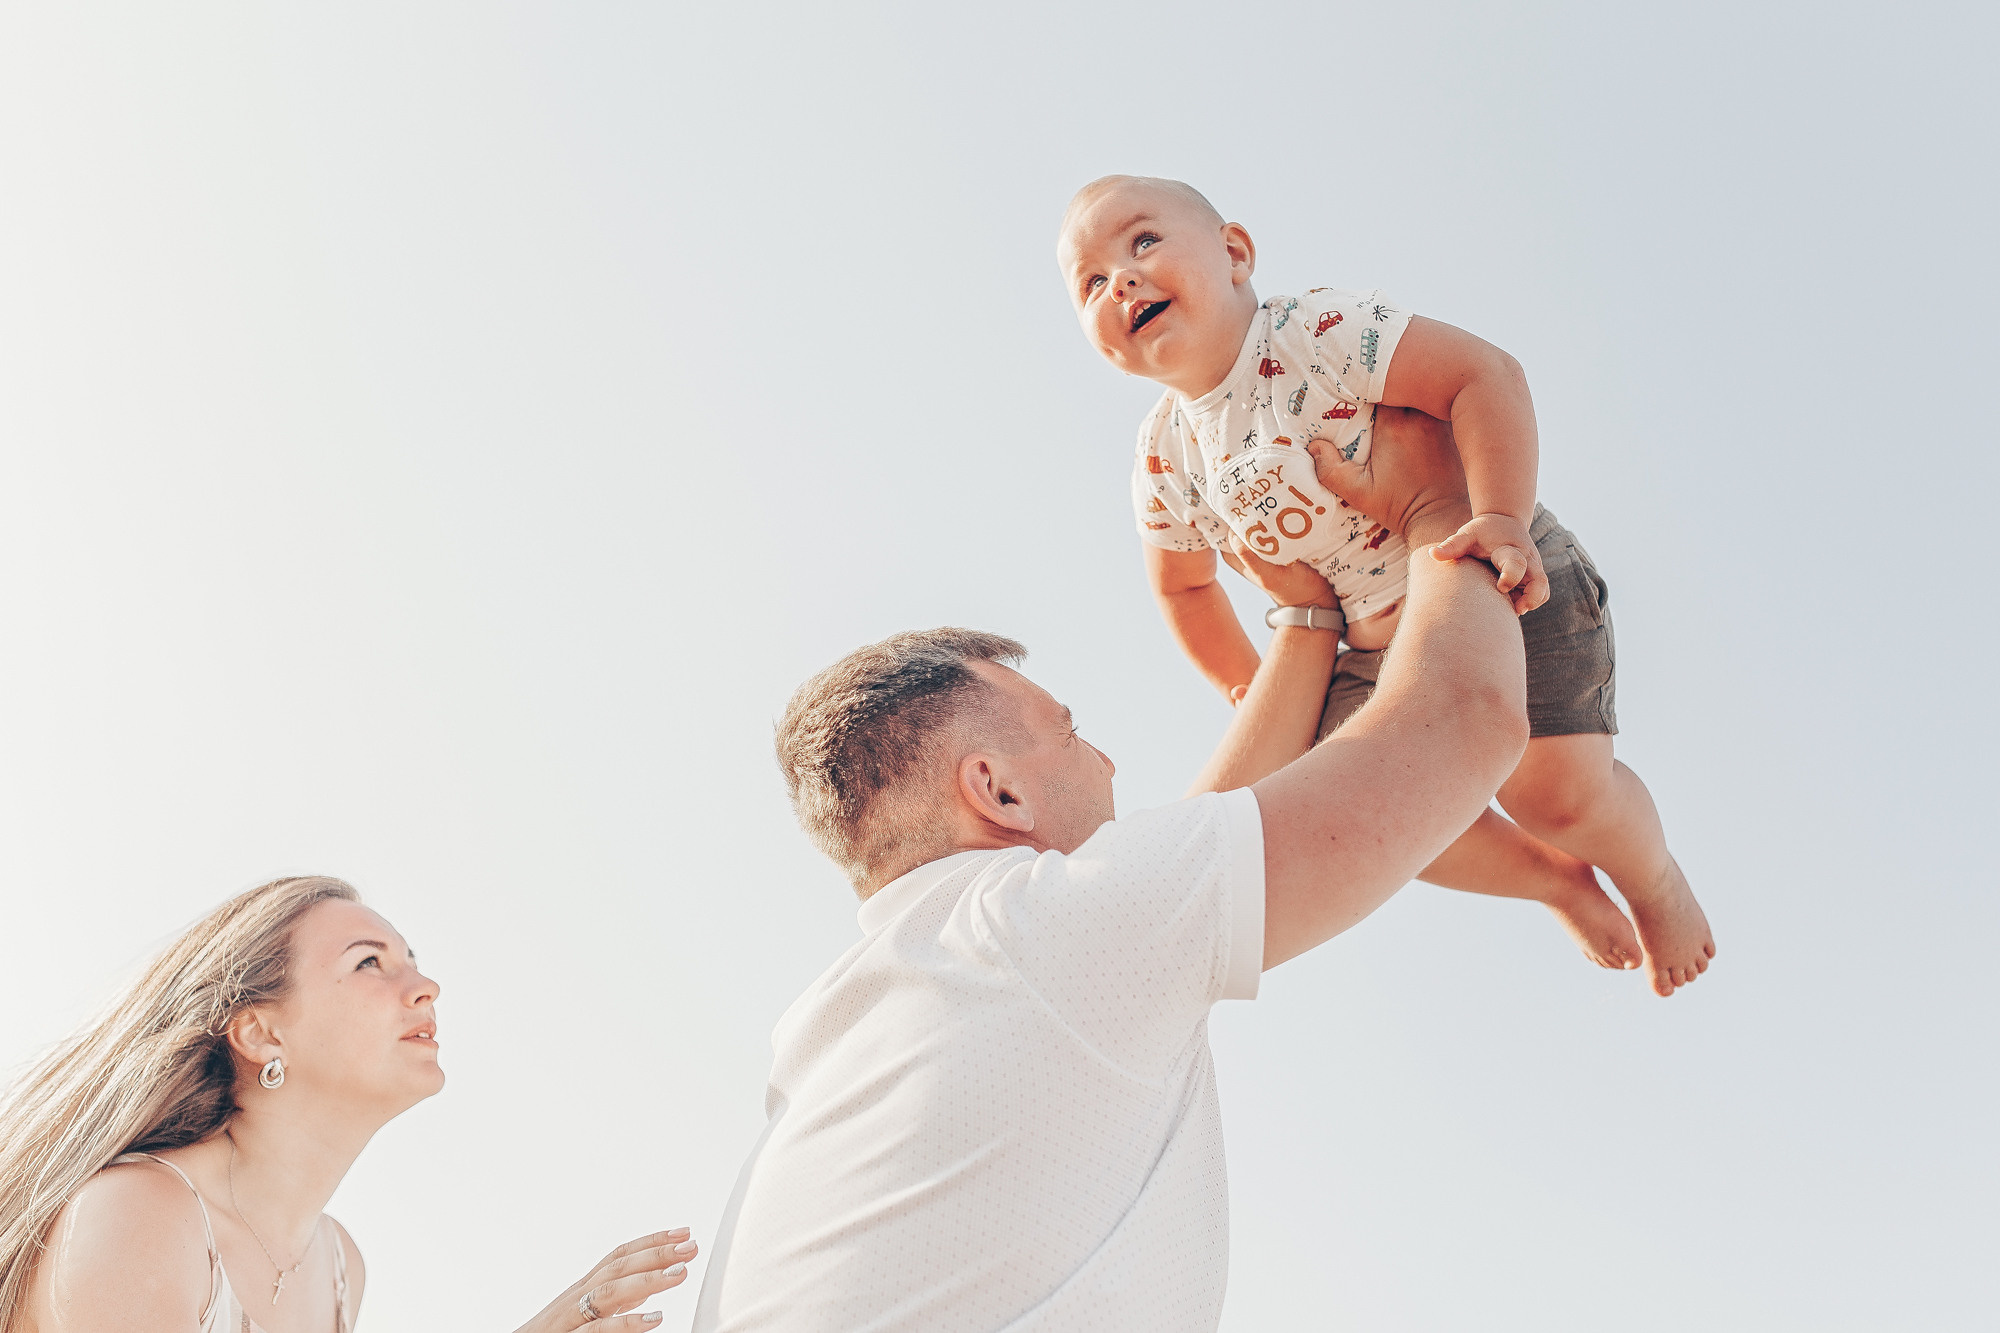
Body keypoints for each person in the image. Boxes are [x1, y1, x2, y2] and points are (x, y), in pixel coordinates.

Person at [693, 410, 1528, 1330]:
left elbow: (1188, 852)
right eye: (1072, 732)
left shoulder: (849, 1020)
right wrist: (1434, 503)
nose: (1110, 763)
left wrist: (1306, 622)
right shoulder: (1045, 938)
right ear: (998, 793)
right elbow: (1467, 716)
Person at [1057, 173, 1714, 997]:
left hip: (1495, 574)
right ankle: (1557, 883)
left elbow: (1483, 376)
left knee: (1558, 797)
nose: (1118, 279)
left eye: (1143, 241)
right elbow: (1184, 587)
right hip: (1365, 659)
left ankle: (1649, 874)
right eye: (1089, 284)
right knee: (1390, 821)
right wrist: (1244, 680)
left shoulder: (1312, 334)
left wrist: (1503, 516)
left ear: (1233, 254)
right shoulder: (1162, 460)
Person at [0, 876, 697, 1333]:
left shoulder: (336, 1265)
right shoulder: (141, 1211)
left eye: (411, 958)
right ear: (261, 1032)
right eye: (370, 962)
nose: (426, 984)